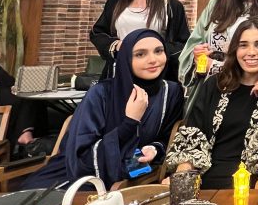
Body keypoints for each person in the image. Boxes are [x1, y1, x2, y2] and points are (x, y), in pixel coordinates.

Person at [23, 29, 184, 190]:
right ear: (126, 59)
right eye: (140, 54)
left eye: (158, 51)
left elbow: (167, 137)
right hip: (82, 172)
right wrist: (130, 122)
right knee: (39, 197)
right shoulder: (101, 93)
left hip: (134, 174)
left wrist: (155, 149)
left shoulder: (171, 92)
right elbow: (81, 154)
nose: (153, 60)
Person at [166, 19, 258, 189]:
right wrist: (181, 178)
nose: (251, 52)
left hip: (249, 186)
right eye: (243, 45)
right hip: (203, 180)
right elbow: (192, 137)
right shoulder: (214, 85)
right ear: (235, 50)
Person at [90, 0, 189, 81]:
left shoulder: (172, 6)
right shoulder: (116, 1)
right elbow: (97, 33)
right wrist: (116, 45)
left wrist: (152, 50)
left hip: (157, 77)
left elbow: (183, 45)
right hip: (119, 74)